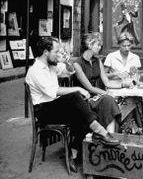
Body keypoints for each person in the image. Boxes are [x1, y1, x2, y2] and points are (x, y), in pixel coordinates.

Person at [26, 37, 120, 173]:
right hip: (43, 111)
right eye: (56, 51)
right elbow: (53, 92)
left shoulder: (50, 64)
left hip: (53, 106)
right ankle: (101, 132)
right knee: (76, 97)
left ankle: (73, 154)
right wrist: (78, 89)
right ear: (46, 52)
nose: (58, 54)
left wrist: (67, 62)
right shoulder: (36, 70)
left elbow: (68, 71)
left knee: (82, 112)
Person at [72, 32, 122, 133]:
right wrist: (106, 93)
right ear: (90, 45)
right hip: (84, 99)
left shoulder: (97, 61)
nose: (100, 47)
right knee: (109, 100)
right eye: (98, 45)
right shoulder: (78, 64)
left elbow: (107, 82)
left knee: (110, 101)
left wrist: (122, 84)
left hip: (97, 96)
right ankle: (109, 136)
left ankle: (110, 135)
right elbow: (89, 88)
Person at [104, 31, 143, 133]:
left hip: (129, 90)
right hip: (114, 89)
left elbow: (137, 78)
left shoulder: (135, 58)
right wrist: (115, 74)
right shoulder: (111, 57)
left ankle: (129, 130)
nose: (126, 48)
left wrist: (136, 80)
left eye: (129, 45)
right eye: (123, 46)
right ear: (119, 45)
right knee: (130, 102)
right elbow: (103, 76)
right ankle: (127, 130)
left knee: (135, 99)